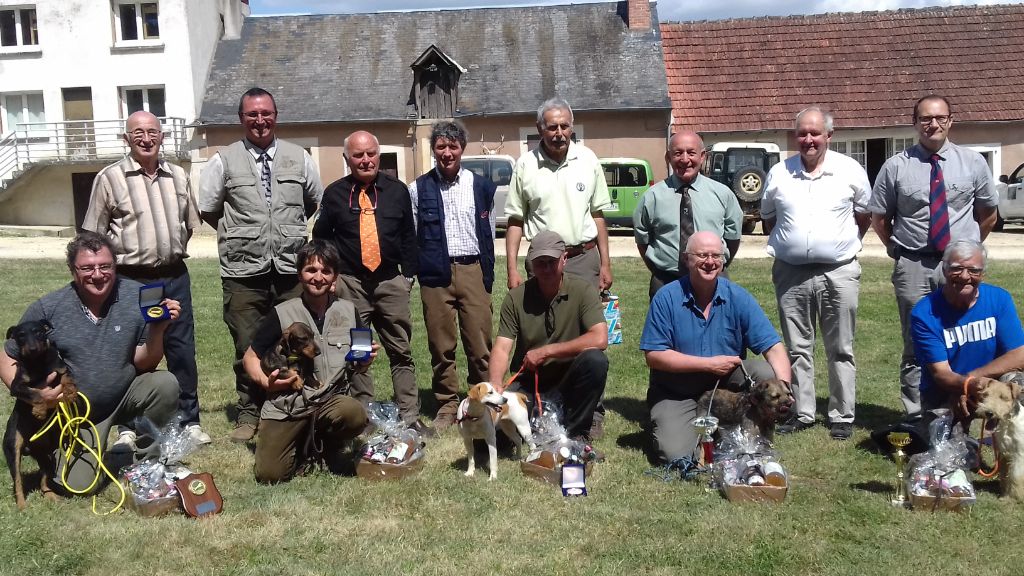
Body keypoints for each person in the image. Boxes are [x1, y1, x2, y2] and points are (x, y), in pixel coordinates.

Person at [0, 232, 180, 493]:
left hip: (124, 394)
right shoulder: (48, 307)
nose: (97, 275)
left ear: (114, 266)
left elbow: (144, 362)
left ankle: (149, 464)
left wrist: (158, 329)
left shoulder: (137, 296)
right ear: (73, 270)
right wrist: (35, 396)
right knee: (77, 487)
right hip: (76, 414)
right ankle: (80, 452)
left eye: (105, 266)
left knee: (165, 383)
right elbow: (6, 356)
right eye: (87, 268)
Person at [198, 87, 324, 443]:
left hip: (288, 270)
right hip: (243, 272)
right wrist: (247, 234)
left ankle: (297, 401)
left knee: (297, 339)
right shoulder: (224, 160)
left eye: (266, 113)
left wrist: (283, 232)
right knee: (247, 344)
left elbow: (313, 201)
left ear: (275, 116)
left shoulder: (299, 157)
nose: (260, 120)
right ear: (241, 119)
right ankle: (249, 412)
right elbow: (209, 209)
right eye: (252, 114)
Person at [82, 110, 208, 445]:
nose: (146, 138)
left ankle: (189, 420)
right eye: (138, 132)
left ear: (162, 136)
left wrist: (165, 256)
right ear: (127, 138)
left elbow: (188, 226)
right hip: (132, 280)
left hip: (174, 275)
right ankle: (128, 425)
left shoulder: (178, 177)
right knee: (133, 350)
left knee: (181, 347)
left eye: (152, 131)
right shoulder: (109, 178)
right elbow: (93, 238)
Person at [869, 94, 999, 420]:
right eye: (926, 118)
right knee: (916, 341)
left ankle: (963, 405)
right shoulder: (897, 166)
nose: (933, 124)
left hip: (959, 268)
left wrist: (968, 250)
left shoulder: (973, 163)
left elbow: (988, 215)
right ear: (915, 123)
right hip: (913, 263)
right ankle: (919, 416)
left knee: (964, 334)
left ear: (950, 121)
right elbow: (880, 218)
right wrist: (896, 251)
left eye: (940, 117)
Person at [761, 106, 871, 441]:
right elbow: (768, 217)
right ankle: (803, 411)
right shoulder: (780, 172)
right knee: (797, 347)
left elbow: (864, 215)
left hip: (838, 271)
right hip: (791, 272)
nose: (809, 140)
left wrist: (837, 245)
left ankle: (841, 414)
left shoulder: (849, 170)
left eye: (815, 133)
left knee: (840, 347)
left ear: (828, 136)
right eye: (802, 134)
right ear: (795, 136)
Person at [312, 131, 430, 435]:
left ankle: (409, 414)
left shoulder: (397, 191)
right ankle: (362, 417)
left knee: (400, 351)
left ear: (379, 155)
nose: (365, 160)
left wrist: (407, 277)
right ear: (347, 159)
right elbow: (321, 237)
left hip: (391, 282)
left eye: (370, 154)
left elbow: (408, 237)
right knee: (360, 350)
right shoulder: (335, 194)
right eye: (358, 155)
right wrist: (333, 275)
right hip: (352, 285)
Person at [640, 231, 792, 462]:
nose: (710, 262)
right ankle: (706, 433)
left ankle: (754, 431)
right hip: (677, 391)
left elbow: (774, 347)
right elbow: (654, 356)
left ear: (723, 260)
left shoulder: (738, 297)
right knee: (676, 454)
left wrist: (784, 390)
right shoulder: (666, 298)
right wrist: (708, 364)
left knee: (765, 373)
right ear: (686, 259)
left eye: (715, 255)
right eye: (702, 255)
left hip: (726, 387)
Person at [242, 240, 373, 483]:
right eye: (311, 270)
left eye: (326, 271)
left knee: (354, 413)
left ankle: (328, 443)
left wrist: (365, 362)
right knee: (270, 475)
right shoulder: (282, 313)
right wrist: (266, 383)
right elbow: (250, 357)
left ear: (335, 276)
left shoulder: (348, 310)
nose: (318, 277)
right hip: (288, 404)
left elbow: (357, 363)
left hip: (329, 400)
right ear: (300, 274)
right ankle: (302, 444)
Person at [409, 120, 496, 431]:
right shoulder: (418, 188)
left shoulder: (481, 186)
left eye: (453, 146)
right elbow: (413, 234)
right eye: (441, 146)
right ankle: (446, 403)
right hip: (435, 274)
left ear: (462, 149)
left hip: (473, 269)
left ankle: (481, 398)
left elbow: (488, 231)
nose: (447, 152)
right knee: (441, 344)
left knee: (479, 342)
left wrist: (488, 273)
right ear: (433, 150)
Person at [489, 230, 608, 441]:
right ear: (531, 264)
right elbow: (501, 348)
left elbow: (599, 338)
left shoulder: (583, 290)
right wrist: (496, 384)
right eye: (539, 263)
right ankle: (543, 417)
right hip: (529, 382)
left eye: (551, 262)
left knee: (595, 360)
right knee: (497, 437)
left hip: (569, 379)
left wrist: (547, 351)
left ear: (564, 259)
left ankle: (577, 433)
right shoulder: (515, 298)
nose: (545, 269)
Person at [504, 97, 613, 292]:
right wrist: (511, 269)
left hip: (583, 260)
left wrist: (606, 264)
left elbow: (598, 215)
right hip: (542, 262)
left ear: (571, 127)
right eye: (553, 127)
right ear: (540, 128)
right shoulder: (525, 165)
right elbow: (515, 221)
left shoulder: (588, 160)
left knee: (586, 322)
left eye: (565, 126)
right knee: (543, 321)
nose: (560, 134)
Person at [911, 239, 1024, 416]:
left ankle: (1006, 431)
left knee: (1019, 383)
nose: (965, 276)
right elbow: (941, 374)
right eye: (957, 268)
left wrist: (973, 380)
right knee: (942, 441)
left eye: (974, 270)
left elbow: (1019, 355)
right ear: (944, 269)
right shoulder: (925, 313)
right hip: (947, 391)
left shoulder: (999, 299)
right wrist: (965, 385)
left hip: (990, 383)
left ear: (983, 273)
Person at [633, 130, 743, 299]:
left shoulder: (723, 194)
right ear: (668, 158)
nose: (685, 160)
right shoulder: (652, 197)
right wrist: (659, 268)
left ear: (702, 156)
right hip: (666, 281)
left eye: (691, 153)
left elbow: (732, 238)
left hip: (713, 279)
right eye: (678, 153)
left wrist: (714, 264)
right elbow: (643, 241)